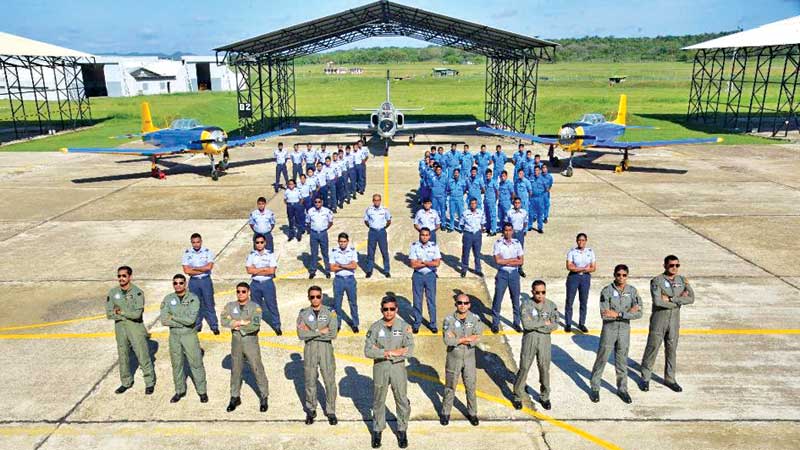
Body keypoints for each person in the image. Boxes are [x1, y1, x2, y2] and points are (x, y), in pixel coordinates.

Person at [364, 296, 414, 449]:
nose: (389, 312)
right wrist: (388, 353)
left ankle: (402, 429)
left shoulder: (404, 326)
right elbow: (368, 351)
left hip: (398, 368)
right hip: (381, 367)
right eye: (386, 309)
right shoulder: (375, 327)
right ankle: (378, 430)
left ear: (396, 309)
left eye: (392, 309)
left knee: (401, 399)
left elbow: (410, 350)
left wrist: (388, 352)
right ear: (381, 310)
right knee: (379, 400)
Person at [640, 255, 695, 393]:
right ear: (665, 266)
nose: (674, 268)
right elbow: (658, 302)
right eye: (671, 265)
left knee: (671, 350)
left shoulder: (682, 280)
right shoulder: (657, 281)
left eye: (677, 265)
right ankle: (645, 377)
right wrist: (679, 300)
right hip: (659, 320)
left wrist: (670, 298)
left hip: (674, 321)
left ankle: (670, 378)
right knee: (652, 348)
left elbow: (691, 298)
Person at [589, 264, 642, 404]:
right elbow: (605, 315)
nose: (621, 277)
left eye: (624, 275)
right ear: (614, 275)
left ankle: (622, 389)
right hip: (609, 329)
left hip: (624, 330)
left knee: (622, 360)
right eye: (618, 275)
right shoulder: (606, 291)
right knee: (602, 358)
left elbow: (639, 313)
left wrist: (618, 314)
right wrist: (628, 313)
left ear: (627, 276)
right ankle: (595, 387)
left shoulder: (632, 291)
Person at [107, 266, 156, 394]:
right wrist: (124, 313)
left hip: (135, 328)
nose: (121, 278)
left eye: (124, 276)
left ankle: (149, 382)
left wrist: (120, 311)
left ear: (130, 277)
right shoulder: (113, 293)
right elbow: (109, 314)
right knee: (123, 356)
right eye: (119, 276)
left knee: (142, 354)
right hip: (120, 328)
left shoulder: (137, 293)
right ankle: (126, 382)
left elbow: (136, 315)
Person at [221, 282, 269, 413]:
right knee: (236, 369)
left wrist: (237, 325)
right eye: (238, 291)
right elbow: (223, 320)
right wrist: (240, 322)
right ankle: (234, 396)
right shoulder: (230, 306)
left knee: (256, 367)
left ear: (248, 292)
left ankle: (264, 396)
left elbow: (254, 325)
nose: (240, 294)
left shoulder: (255, 307)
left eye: (243, 291)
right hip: (236, 342)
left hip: (250, 341)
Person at [160, 274, 208, 403]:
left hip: (189, 335)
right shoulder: (168, 299)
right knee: (177, 364)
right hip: (174, 336)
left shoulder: (193, 298)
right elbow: (164, 320)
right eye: (175, 283)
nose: (178, 285)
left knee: (196, 364)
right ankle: (179, 391)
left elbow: (191, 320)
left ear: (185, 284)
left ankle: (202, 391)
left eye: (181, 283)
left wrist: (173, 318)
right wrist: (180, 321)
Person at [512, 280, 558, 410]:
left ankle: (545, 396)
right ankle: (517, 395)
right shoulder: (526, 305)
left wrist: (537, 325)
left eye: (543, 292)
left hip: (544, 340)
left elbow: (555, 325)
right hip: (529, 339)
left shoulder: (551, 305)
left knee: (544, 368)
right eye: (537, 292)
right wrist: (544, 322)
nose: (540, 295)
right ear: (532, 292)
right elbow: (526, 325)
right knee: (524, 367)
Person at [297, 285, 339, 425]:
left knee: (329, 381)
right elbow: (301, 334)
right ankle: (311, 409)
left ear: (321, 297)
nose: (315, 299)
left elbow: (333, 333)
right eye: (312, 297)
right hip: (310, 350)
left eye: (318, 296)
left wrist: (311, 331)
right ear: (309, 298)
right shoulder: (303, 313)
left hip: (325, 350)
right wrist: (320, 331)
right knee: (310, 381)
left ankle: (331, 411)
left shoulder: (330, 312)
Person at [440, 293, 483, 426]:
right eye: (460, 303)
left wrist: (457, 339)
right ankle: (446, 413)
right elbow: (448, 340)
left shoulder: (475, 319)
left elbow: (478, 337)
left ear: (469, 305)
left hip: (470, 358)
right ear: (456, 304)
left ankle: (472, 413)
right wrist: (466, 338)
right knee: (450, 386)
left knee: (470, 386)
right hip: (454, 358)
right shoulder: (449, 320)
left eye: (465, 303)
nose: (462, 305)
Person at [181, 233, 219, 334]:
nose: (196, 244)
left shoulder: (207, 252)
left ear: (201, 242)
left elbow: (209, 267)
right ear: (191, 243)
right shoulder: (187, 253)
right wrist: (202, 269)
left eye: (198, 242)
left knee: (209, 303)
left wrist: (194, 268)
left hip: (205, 280)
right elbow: (186, 271)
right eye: (194, 242)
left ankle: (214, 325)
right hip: (194, 281)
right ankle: (197, 325)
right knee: (195, 304)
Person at [491, 223, 524, 333]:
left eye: (510, 230)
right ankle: (495, 323)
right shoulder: (498, 243)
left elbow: (521, 261)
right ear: (503, 231)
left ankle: (516, 322)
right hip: (502, 274)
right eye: (506, 230)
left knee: (515, 299)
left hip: (514, 274)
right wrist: (512, 260)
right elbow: (497, 261)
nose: (508, 232)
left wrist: (506, 261)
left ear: (512, 231)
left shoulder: (517, 243)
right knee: (498, 299)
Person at [245, 236, 282, 335]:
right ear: (255, 243)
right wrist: (264, 269)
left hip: (267, 284)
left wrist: (256, 270)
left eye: (261, 242)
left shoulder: (270, 254)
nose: (259, 244)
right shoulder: (252, 255)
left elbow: (272, 271)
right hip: (255, 284)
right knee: (256, 307)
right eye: (257, 242)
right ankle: (255, 326)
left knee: (272, 305)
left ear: (265, 243)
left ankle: (277, 326)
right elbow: (249, 270)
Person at [409, 227, 441, 334]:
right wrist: (429, 262)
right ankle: (417, 323)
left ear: (430, 236)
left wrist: (422, 262)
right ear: (419, 235)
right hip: (417, 276)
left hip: (430, 276)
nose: (424, 237)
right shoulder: (414, 246)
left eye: (427, 235)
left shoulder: (434, 246)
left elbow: (437, 263)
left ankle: (433, 324)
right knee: (417, 300)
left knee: (431, 300)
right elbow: (413, 264)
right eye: (423, 235)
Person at [565, 233, 596, 333]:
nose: (581, 242)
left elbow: (593, 268)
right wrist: (583, 268)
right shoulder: (572, 252)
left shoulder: (590, 252)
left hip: (585, 278)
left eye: (583, 240)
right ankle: (568, 323)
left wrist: (577, 268)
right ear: (576, 241)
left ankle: (581, 323)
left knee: (583, 301)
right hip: (574, 277)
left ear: (586, 241)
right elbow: (569, 266)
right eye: (579, 240)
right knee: (570, 301)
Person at [329, 232, 360, 332]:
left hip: (350, 279)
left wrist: (341, 265)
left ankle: (355, 324)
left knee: (353, 303)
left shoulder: (352, 250)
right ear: (338, 242)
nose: (342, 243)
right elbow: (332, 268)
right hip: (338, 280)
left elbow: (354, 266)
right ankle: (338, 324)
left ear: (347, 242)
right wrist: (347, 265)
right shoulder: (334, 251)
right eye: (341, 242)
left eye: (344, 242)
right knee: (337, 304)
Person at [364, 194, 392, 278]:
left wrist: (383, 228)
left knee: (384, 252)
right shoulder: (369, 210)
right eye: (375, 200)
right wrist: (372, 227)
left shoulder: (384, 210)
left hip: (381, 232)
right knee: (370, 252)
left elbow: (389, 220)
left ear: (380, 201)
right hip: (372, 232)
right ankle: (369, 270)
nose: (377, 202)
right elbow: (366, 220)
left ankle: (386, 270)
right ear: (373, 201)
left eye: (378, 200)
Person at [306, 197, 333, 279]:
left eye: (319, 202)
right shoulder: (310, 211)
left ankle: (327, 271)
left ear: (322, 202)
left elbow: (331, 222)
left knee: (325, 253)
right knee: (314, 253)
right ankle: (312, 271)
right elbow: (308, 222)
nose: (317, 203)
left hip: (323, 234)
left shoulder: (327, 211)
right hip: (313, 234)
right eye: (316, 202)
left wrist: (324, 229)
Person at [460, 197, 485, 277]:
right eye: (472, 203)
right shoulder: (465, 213)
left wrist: (480, 231)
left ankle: (478, 269)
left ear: (477, 204)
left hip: (477, 235)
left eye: (475, 203)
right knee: (465, 253)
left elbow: (482, 223)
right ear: (469, 204)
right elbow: (461, 224)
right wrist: (466, 231)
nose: (473, 205)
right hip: (468, 234)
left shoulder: (480, 213)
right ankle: (464, 269)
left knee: (477, 253)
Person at [529, 165, 547, 233]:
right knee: (531, 213)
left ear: (540, 171)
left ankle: (540, 228)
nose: (536, 172)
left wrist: (541, 193)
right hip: (532, 198)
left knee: (540, 214)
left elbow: (546, 189)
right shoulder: (531, 178)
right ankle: (529, 226)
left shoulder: (543, 179)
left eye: (537, 170)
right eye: (535, 170)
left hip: (540, 198)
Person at [483, 168, 499, 236]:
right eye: (487, 175)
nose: (488, 176)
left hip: (492, 201)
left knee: (493, 215)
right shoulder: (485, 182)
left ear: (491, 175)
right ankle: (488, 228)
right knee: (487, 215)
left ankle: (493, 230)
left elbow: (497, 191)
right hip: (486, 200)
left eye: (489, 175)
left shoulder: (494, 182)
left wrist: (496, 199)